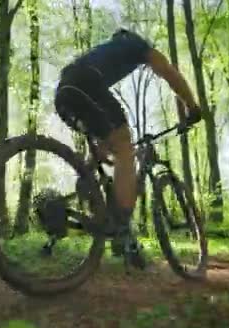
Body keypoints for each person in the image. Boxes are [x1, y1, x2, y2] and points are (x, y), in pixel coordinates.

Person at [54, 28, 202, 268]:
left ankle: (86, 189)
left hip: (63, 93)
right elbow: (168, 72)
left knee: (108, 146)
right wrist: (193, 107)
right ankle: (121, 225)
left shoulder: (105, 52)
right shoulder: (137, 45)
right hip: (86, 84)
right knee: (125, 143)